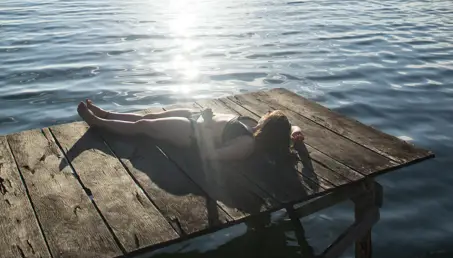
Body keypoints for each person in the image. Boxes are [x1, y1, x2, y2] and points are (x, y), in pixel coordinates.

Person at [77, 100, 304, 162]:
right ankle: (107, 115)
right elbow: (290, 126)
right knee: (149, 117)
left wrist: (204, 126)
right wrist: (296, 132)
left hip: (192, 132)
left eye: (268, 115)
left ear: (268, 125)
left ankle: (99, 123)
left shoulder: (247, 144)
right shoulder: (256, 126)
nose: (265, 113)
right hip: (196, 117)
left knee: (144, 127)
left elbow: (210, 156)